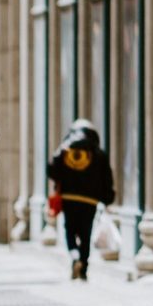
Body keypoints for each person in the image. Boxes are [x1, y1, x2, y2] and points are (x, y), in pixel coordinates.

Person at [47, 119, 115, 281]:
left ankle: (74, 255)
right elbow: (107, 179)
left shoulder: (65, 150)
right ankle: (83, 267)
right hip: (90, 201)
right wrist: (107, 198)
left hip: (69, 198)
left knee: (69, 230)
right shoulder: (99, 154)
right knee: (86, 234)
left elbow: (51, 171)